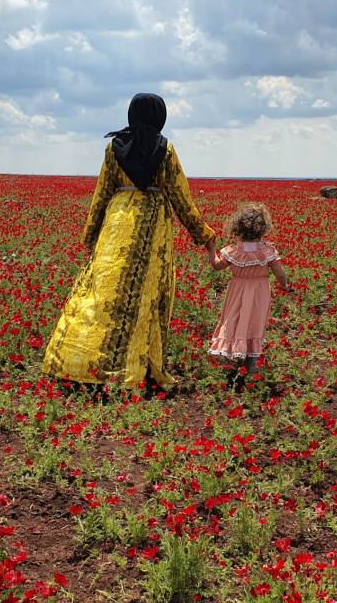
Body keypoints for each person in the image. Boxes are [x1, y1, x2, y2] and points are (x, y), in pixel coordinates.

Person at [42, 93, 216, 390]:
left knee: (101, 295)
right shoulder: (166, 151)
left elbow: (101, 195)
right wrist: (206, 236)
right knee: (144, 298)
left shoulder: (114, 149)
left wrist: (91, 234)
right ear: (160, 116)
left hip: (116, 223)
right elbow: (181, 199)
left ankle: (77, 361)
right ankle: (134, 368)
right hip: (151, 228)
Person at [207, 202, 290, 385]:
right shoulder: (267, 251)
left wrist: (211, 250)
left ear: (237, 227)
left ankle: (233, 358)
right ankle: (251, 363)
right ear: (263, 228)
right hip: (260, 292)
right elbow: (280, 273)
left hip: (237, 290)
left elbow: (216, 265)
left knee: (234, 320)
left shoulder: (233, 251)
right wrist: (284, 286)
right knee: (254, 322)